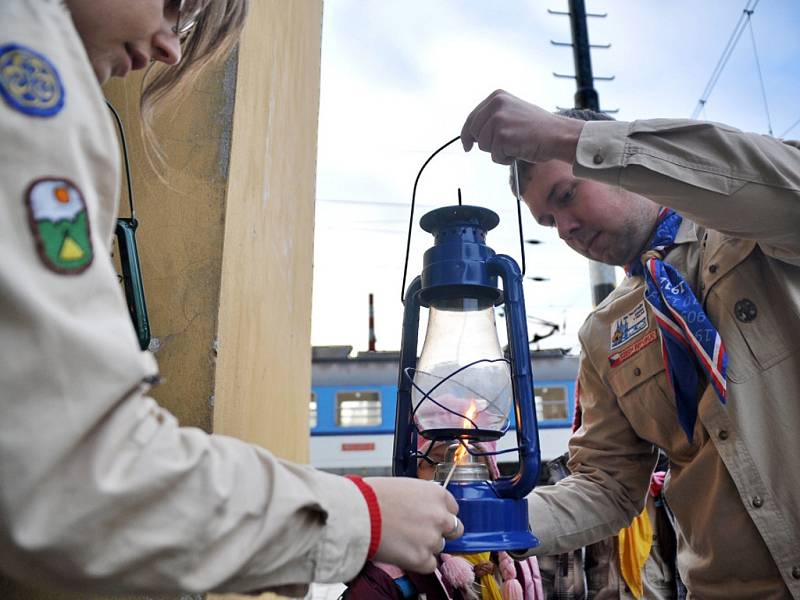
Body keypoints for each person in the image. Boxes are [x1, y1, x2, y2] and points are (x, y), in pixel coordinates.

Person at [0, 0, 463, 595]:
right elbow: (73, 479)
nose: (169, 45)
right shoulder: (31, 74)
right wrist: (363, 516)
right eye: (175, 6)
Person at [460, 89, 800, 598]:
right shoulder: (603, 334)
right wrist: (475, 520)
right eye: (549, 222)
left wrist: (565, 135)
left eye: (567, 195)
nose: (566, 229)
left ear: (610, 159)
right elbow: (608, 487)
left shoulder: (750, 229)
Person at [343, 440, 544, 600]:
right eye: (436, 464)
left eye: (473, 464)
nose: (458, 480)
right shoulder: (389, 573)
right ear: (412, 476)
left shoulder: (521, 557)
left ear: (491, 476)